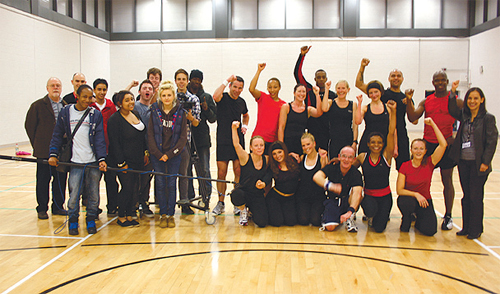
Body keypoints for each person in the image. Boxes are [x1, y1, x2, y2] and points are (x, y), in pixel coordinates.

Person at [48, 84, 107, 235]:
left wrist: (101, 158)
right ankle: (73, 220)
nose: (87, 100)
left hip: (92, 162)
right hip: (75, 162)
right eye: (84, 97)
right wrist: (53, 154)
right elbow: (57, 135)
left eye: (90, 97)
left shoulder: (95, 114)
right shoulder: (66, 112)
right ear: (77, 96)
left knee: (93, 194)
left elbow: (100, 138)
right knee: (74, 194)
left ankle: (91, 219)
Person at [406, 70, 458, 230]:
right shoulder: (427, 101)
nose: (440, 82)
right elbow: (412, 117)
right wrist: (409, 100)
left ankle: (448, 215)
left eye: (443, 80)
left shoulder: (455, 101)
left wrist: (456, 137)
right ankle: (415, 210)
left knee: (447, 180)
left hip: (447, 146)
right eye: (437, 80)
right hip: (429, 145)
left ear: (447, 81)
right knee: (417, 179)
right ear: (433, 82)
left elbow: (466, 118)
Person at [448, 82, 498, 239]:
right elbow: (452, 109)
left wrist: (485, 162)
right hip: (464, 161)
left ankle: (476, 229)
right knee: (466, 195)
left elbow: (491, 141)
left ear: (482, 100)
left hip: (479, 164)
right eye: (470, 98)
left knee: (476, 196)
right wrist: (453, 92)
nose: (472, 101)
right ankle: (466, 227)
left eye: (476, 98)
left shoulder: (488, 118)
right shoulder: (464, 115)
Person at [355, 58, 417, 169]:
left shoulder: (406, 98)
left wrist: (408, 102)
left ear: (403, 79)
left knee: (403, 168)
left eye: (398, 76)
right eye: (393, 75)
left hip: (400, 135)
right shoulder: (381, 94)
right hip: (382, 135)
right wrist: (362, 67)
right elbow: (359, 84)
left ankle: (401, 187)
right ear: (389, 78)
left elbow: (414, 120)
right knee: (378, 167)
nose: (396, 78)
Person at [25, 77, 68, 219]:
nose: (55, 88)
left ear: (61, 88)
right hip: (44, 151)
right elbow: (30, 126)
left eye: (58, 85)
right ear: (47, 88)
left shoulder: (66, 106)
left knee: (60, 179)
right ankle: (42, 208)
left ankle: (58, 206)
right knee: (43, 180)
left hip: (62, 152)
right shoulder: (37, 106)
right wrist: (38, 144)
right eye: (53, 85)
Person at [396, 117, 447, 236]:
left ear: (425, 151)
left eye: (421, 149)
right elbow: (399, 190)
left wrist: (433, 124)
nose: (418, 151)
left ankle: (418, 219)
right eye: (415, 149)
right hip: (409, 199)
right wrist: (416, 194)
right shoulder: (405, 166)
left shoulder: (430, 162)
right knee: (405, 202)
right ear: (411, 150)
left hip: (424, 201)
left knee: (430, 231)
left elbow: (443, 144)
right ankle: (407, 217)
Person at [148, 81, 188, 228]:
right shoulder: (154, 111)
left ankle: (170, 214)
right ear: (160, 96)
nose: (166, 98)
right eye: (163, 95)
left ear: (173, 96)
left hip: (174, 155)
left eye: (169, 95)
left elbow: (183, 137)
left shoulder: (180, 112)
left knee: (171, 184)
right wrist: (158, 153)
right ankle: (162, 214)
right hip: (157, 155)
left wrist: (170, 154)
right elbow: (150, 135)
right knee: (160, 183)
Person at [354, 100, 397, 233]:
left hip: (385, 197)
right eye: (373, 142)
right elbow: (348, 167)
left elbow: (390, 132)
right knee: (371, 209)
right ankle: (370, 214)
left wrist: (393, 112)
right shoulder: (362, 157)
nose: (376, 145)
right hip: (369, 196)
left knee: (379, 229)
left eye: (379, 142)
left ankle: (379, 216)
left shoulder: (386, 156)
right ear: (368, 144)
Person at [108, 91, 148, 227]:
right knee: (127, 187)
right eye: (127, 100)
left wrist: (145, 152)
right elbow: (115, 143)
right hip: (124, 161)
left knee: (135, 187)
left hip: (138, 159)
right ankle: (121, 216)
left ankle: (130, 214)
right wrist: (121, 163)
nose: (131, 102)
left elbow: (142, 137)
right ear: (119, 104)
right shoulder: (115, 119)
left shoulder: (135, 114)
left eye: (132, 99)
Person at [212, 75, 249, 215]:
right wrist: (226, 80)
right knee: (222, 172)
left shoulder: (242, 102)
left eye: (240, 88)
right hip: (223, 139)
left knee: (238, 171)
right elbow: (215, 96)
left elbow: (246, 115)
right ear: (230, 86)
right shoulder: (223, 97)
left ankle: (236, 202)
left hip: (237, 139)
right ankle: (220, 203)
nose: (237, 90)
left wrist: (245, 125)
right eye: (235, 87)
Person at [294, 45, 337, 150]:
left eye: (323, 77)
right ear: (315, 79)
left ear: (326, 79)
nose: (321, 79)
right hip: (312, 130)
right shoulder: (309, 90)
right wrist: (302, 56)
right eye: (319, 77)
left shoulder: (332, 95)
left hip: (328, 133)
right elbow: (297, 74)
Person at [313, 146, 363, 232]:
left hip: (347, 202)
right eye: (344, 156)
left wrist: (350, 211)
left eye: (350, 157)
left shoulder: (356, 173)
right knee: (330, 227)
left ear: (354, 159)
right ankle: (337, 216)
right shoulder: (333, 167)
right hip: (333, 201)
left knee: (358, 193)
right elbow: (316, 177)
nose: (346, 160)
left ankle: (350, 218)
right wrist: (331, 186)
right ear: (339, 157)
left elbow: (357, 193)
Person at [187, 69, 217, 208]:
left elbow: (213, 119)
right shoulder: (183, 96)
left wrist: (206, 109)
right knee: (187, 170)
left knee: (204, 170)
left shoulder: (207, 97)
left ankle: (206, 198)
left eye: (199, 80)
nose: (196, 82)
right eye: (194, 79)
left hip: (202, 139)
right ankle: (189, 199)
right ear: (190, 80)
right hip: (185, 138)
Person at [230, 121, 269, 227]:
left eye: (261, 145)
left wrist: (264, 183)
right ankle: (243, 210)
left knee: (262, 222)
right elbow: (236, 144)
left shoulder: (266, 159)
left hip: (257, 195)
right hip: (244, 192)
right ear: (251, 147)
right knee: (236, 194)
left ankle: (252, 211)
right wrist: (234, 128)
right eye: (256, 146)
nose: (259, 148)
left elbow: (269, 174)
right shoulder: (245, 157)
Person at [90, 78, 119, 216]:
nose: (102, 92)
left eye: (104, 89)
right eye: (99, 89)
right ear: (94, 90)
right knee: (93, 181)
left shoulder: (110, 106)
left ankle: (112, 206)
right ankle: (93, 208)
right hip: (94, 151)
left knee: (111, 180)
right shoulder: (89, 106)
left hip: (110, 150)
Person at [174, 68, 201, 215]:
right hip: (169, 141)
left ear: (187, 81)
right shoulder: (170, 97)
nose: (181, 82)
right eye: (179, 79)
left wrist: (190, 118)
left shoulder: (193, 99)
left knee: (184, 173)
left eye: (184, 79)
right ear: (175, 81)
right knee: (169, 173)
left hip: (185, 140)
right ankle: (168, 204)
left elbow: (196, 123)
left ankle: (184, 202)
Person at [278, 83, 324, 159]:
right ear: (294, 93)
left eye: (304, 92)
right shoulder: (286, 107)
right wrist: (281, 148)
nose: (301, 94)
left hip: (301, 144)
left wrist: (317, 95)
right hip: (287, 143)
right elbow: (281, 127)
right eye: (299, 91)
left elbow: (319, 112)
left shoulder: (308, 109)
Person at [249, 63, 286, 154]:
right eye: (270, 87)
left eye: (275, 87)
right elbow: (251, 89)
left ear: (279, 88)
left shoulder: (283, 105)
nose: (272, 90)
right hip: (258, 139)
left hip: (273, 142)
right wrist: (259, 71)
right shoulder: (263, 97)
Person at [133, 80, 156, 218]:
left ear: (153, 93)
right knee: (135, 179)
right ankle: (133, 204)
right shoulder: (134, 107)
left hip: (151, 150)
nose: (147, 91)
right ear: (139, 91)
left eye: (150, 89)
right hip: (137, 150)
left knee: (147, 179)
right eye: (144, 88)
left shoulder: (154, 109)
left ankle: (144, 203)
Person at [296, 133, 328, 227]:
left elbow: (325, 176)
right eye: (303, 145)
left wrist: (324, 158)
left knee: (315, 221)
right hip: (303, 196)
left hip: (317, 197)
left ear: (314, 143)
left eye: (308, 144)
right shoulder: (302, 158)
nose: (306, 147)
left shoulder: (322, 158)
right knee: (303, 221)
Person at [265, 141, 300, 227]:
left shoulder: (294, 160)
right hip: (275, 198)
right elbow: (267, 177)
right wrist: (262, 183)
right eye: (274, 154)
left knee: (291, 222)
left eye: (280, 152)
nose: (277, 156)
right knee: (277, 222)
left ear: (284, 151)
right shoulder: (273, 166)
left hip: (290, 198)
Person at [321, 80, 358, 158]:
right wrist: (326, 89)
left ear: (348, 90)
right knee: (334, 164)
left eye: (343, 88)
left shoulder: (353, 104)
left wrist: (354, 142)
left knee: (348, 163)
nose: (341, 91)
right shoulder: (331, 102)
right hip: (334, 140)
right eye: (339, 88)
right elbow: (324, 108)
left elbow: (355, 125)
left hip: (348, 139)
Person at [354, 80, 389, 154]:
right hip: (368, 141)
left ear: (380, 92)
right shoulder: (365, 108)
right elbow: (357, 121)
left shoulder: (388, 108)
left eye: (376, 92)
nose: (374, 95)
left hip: (383, 142)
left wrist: (395, 146)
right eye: (371, 93)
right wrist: (359, 103)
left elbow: (393, 129)